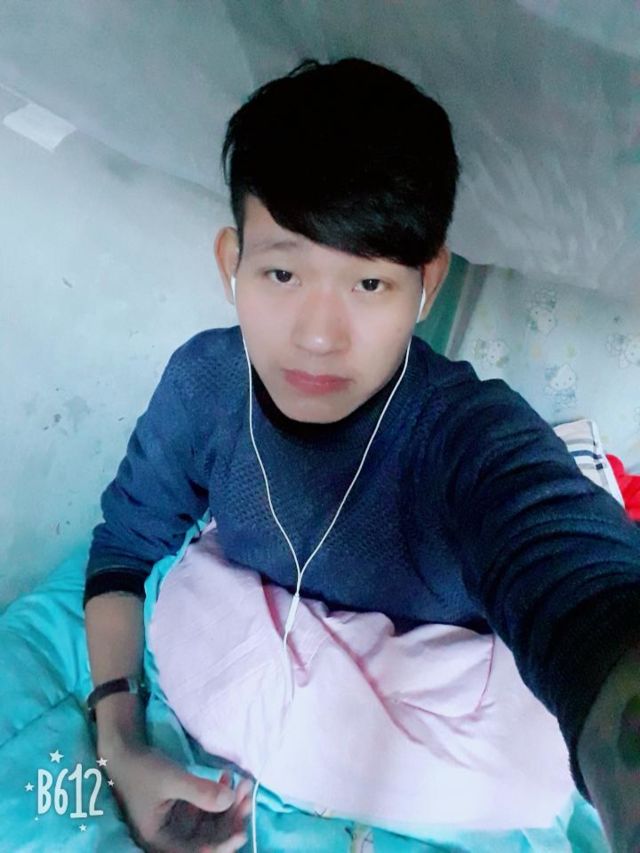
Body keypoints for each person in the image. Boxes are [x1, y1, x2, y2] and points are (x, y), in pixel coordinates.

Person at [83, 57, 640, 853]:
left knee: (536, 755)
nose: (318, 335)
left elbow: (584, 593)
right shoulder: (205, 385)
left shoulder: (471, 438)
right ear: (230, 263)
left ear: (427, 281)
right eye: (282, 272)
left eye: (369, 285)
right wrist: (123, 746)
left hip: (456, 680)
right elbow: (122, 549)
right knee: (186, 603)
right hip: (290, 654)